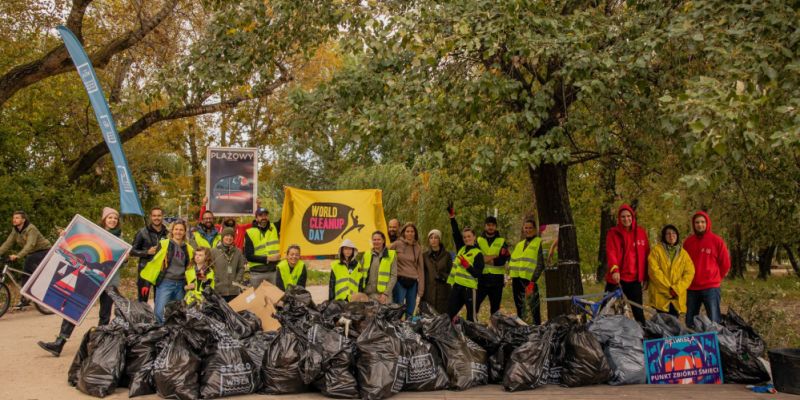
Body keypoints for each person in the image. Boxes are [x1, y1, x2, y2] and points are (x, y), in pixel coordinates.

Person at [37, 207, 121, 357]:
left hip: (109, 281)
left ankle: (99, 345)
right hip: (89, 278)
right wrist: (66, 235)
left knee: (105, 314)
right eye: (110, 218)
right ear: (104, 220)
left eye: (115, 218)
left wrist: (125, 258)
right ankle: (59, 343)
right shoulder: (91, 235)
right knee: (74, 308)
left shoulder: (120, 240)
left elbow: (118, 262)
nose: (113, 220)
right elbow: (77, 248)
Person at [140, 220, 195, 324]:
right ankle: (160, 333)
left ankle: (174, 335)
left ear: (184, 232)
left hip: (181, 285)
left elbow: (190, 268)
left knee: (178, 313)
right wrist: (147, 283)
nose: (178, 232)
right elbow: (154, 263)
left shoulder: (189, 248)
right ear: (172, 231)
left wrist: (191, 282)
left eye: (181, 230)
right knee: (160, 312)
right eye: (176, 229)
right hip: (166, 282)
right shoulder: (164, 244)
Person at [683, 211, 730, 328]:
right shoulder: (688, 242)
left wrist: (716, 278)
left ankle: (716, 344)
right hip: (692, 287)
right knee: (690, 320)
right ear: (693, 224)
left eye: (703, 222)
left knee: (714, 320)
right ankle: (691, 344)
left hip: (711, 288)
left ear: (707, 223)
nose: (700, 225)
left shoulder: (717, 241)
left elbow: (725, 263)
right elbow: (682, 264)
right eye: (697, 222)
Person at [605, 203, 650, 324]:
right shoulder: (613, 233)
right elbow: (611, 252)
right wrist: (614, 270)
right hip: (616, 278)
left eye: (628, 216)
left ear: (632, 217)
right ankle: (601, 333)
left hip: (634, 279)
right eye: (623, 217)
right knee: (606, 308)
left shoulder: (641, 232)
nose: (626, 219)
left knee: (638, 311)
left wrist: (646, 276)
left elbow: (646, 255)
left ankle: (643, 334)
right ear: (619, 219)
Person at [0, 210, 51, 304]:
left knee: (29, 262)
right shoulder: (15, 230)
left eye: (17, 218)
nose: (14, 220)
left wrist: (18, 256)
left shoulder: (31, 229)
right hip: (32, 253)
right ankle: (25, 298)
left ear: (23, 220)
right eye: (14, 217)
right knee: (25, 274)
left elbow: (30, 245)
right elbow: (7, 243)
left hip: (44, 251)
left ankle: (43, 289)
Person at [446, 203, 484, 322]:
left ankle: (473, 339)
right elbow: (456, 233)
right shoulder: (461, 249)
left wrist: (467, 266)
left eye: (469, 236)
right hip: (457, 287)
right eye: (465, 237)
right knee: (449, 313)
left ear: (474, 237)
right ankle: (450, 337)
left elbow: (478, 274)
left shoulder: (478, 253)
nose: (467, 239)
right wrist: (452, 218)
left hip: (469, 289)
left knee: (471, 317)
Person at [647, 225, 695, 317]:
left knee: (674, 325)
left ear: (677, 236)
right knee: (662, 325)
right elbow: (654, 272)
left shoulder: (683, 254)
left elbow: (689, 273)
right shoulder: (656, 251)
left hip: (677, 297)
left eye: (673, 233)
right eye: (668, 234)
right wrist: (669, 290)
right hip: (661, 296)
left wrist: (676, 289)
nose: (671, 236)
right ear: (664, 236)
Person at [508, 219, 545, 324]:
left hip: (530, 280)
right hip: (516, 280)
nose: (528, 230)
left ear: (535, 229)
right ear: (523, 229)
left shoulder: (539, 242)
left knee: (534, 308)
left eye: (530, 228)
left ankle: (537, 328)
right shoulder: (519, 244)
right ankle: (522, 328)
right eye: (526, 228)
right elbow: (514, 261)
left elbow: (541, 263)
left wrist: (533, 281)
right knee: (519, 307)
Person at [130, 207, 168, 302]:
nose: (157, 218)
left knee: (159, 302)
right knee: (143, 301)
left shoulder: (167, 233)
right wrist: (146, 252)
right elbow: (132, 251)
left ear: (162, 216)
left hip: (161, 272)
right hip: (145, 271)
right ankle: (143, 317)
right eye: (154, 215)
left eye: (159, 215)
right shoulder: (142, 232)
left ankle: (156, 317)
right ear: (151, 217)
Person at [475, 215, 509, 317]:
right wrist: (494, 256)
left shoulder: (502, 241)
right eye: (488, 225)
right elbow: (477, 259)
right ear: (485, 226)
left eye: (493, 225)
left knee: (495, 310)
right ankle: (472, 327)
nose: (490, 227)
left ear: (496, 227)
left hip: (497, 282)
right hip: (481, 280)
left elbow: (502, 260)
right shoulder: (478, 240)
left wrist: (485, 258)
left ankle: (494, 330)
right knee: (474, 306)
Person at [390, 223, 425, 317]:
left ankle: (408, 330)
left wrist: (421, 288)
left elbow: (420, 268)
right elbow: (385, 254)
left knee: (410, 311)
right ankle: (396, 329)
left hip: (413, 282)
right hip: (399, 281)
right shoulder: (397, 244)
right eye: (407, 231)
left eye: (412, 231)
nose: (409, 233)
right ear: (404, 233)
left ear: (415, 233)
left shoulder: (418, 248)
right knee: (397, 310)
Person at [244, 208, 280, 287]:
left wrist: (290, 201)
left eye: (265, 215)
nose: (264, 217)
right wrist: (268, 258)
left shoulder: (275, 227)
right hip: (257, 274)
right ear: (256, 218)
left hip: (273, 272)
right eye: (261, 215)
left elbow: (286, 217)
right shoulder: (250, 232)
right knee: (257, 299)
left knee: (273, 298)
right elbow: (249, 256)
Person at [210, 227, 246, 302]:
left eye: (231, 236)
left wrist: (237, 280)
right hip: (219, 290)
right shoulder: (214, 251)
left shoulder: (238, 252)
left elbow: (241, 268)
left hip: (234, 291)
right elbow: (209, 268)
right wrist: (214, 280)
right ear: (222, 237)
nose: (229, 238)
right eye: (227, 235)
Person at [422, 229, 451, 315]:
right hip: (429, 291)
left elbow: (452, 273)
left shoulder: (447, 255)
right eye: (431, 238)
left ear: (439, 240)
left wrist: (442, 276)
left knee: (442, 317)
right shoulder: (424, 256)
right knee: (429, 317)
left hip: (443, 290)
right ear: (429, 240)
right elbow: (422, 274)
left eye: (436, 238)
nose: (433, 240)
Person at [362, 231, 397, 304]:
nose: (376, 242)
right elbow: (360, 272)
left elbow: (393, 276)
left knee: (383, 315)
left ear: (383, 240)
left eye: (378, 239)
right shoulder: (366, 254)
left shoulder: (391, 255)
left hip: (383, 296)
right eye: (374, 240)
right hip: (368, 294)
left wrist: (386, 293)